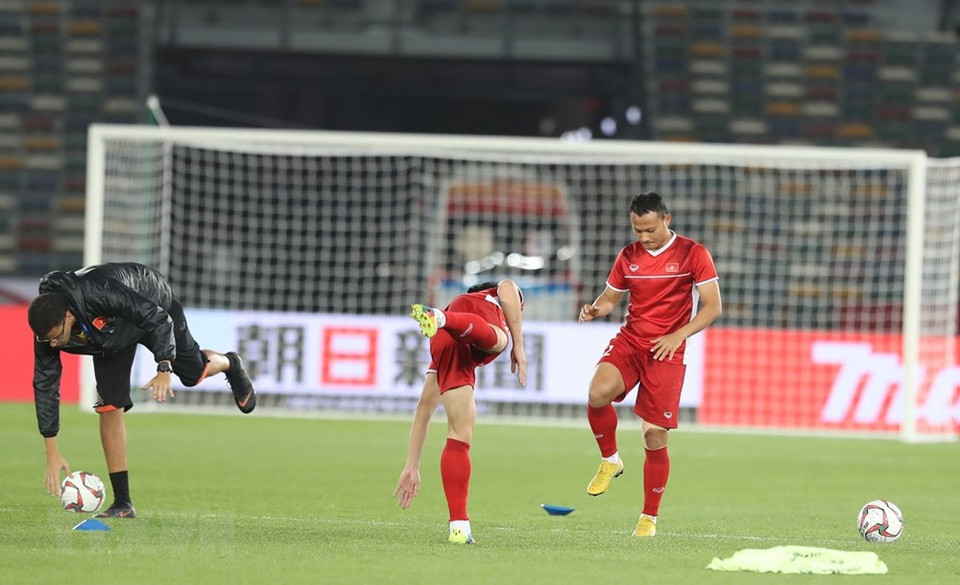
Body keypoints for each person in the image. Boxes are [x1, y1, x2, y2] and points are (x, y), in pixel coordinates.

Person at [29, 262, 258, 519]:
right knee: (109, 405)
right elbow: (45, 383)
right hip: (110, 335)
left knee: (194, 374)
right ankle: (123, 503)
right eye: (47, 339)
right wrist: (51, 450)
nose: (53, 343)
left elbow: (157, 319)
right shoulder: (47, 328)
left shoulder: (101, 291)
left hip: (152, 303)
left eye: (56, 336)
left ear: (68, 316)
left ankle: (230, 363)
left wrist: (164, 366)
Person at [579, 192, 721, 537]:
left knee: (655, 436)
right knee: (597, 393)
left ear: (666, 220)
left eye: (650, 230)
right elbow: (611, 298)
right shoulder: (628, 256)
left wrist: (678, 336)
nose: (643, 237)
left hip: (667, 351)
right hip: (631, 341)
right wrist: (596, 308)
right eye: (637, 230)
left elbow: (713, 306)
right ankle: (611, 460)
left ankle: (648, 518)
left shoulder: (693, 253)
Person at [394, 279, 526, 545]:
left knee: (458, 432)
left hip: (445, 335)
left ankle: (459, 526)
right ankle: (459, 527)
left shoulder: (457, 311)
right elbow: (507, 285)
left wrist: (412, 465)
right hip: (457, 324)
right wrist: (519, 347)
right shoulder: (492, 297)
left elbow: (424, 408)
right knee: (500, 340)